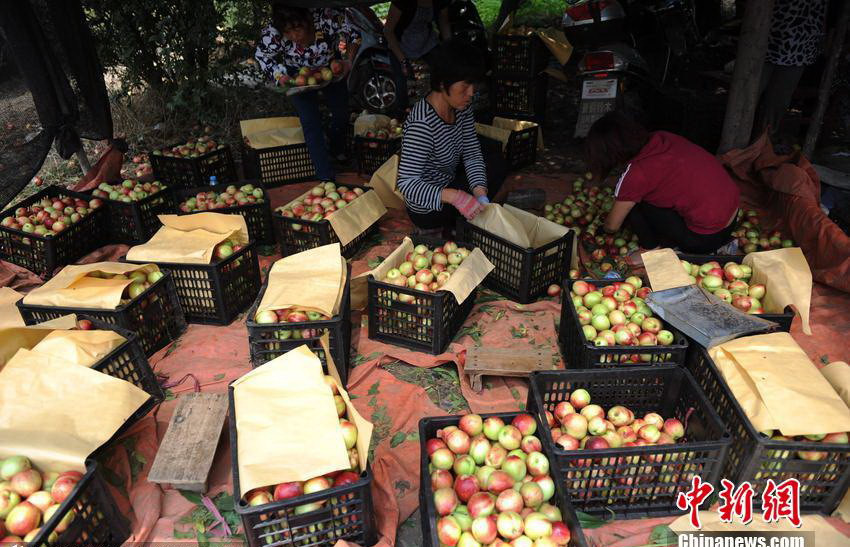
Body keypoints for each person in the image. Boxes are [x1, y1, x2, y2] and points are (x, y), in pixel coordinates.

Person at [585, 111, 740, 254]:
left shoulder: (635, 174)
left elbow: (612, 226)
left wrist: (601, 228)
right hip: (732, 219)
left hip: (705, 240)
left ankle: (651, 249)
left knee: (635, 205)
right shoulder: (662, 137)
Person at [396, 39, 504, 235]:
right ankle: (450, 225)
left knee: (495, 157)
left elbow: (471, 152)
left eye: (473, 84)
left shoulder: (461, 107)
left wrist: (480, 194)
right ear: (442, 83)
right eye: (465, 86)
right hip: (428, 207)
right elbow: (407, 184)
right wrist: (455, 197)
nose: (471, 93)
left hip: (448, 179)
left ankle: (469, 214)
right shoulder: (422, 124)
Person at [254, 4, 360, 181]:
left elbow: (355, 35)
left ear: (308, 20)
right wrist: (279, 75)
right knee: (310, 123)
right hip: (297, 76)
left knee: (341, 113)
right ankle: (325, 175)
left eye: (298, 29)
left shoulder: (327, 17)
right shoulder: (273, 32)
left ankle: (336, 146)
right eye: (288, 32)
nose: (294, 36)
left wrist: (348, 62)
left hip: (330, 69)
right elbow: (262, 55)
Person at [753, 0, 828, 143]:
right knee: (750, 95)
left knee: (778, 102)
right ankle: (740, 142)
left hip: (800, 47)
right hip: (767, 40)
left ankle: (764, 142)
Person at [384, 0, 452, 112]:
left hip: (426, 40)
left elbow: (444, 23)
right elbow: (388, 31)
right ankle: (401, 117)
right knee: (402, 85)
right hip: (399, 43)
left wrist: (450, 49)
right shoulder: (402, 2)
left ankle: (438, 109)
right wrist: (403, 61)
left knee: (442, 70)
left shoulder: (440, 2)